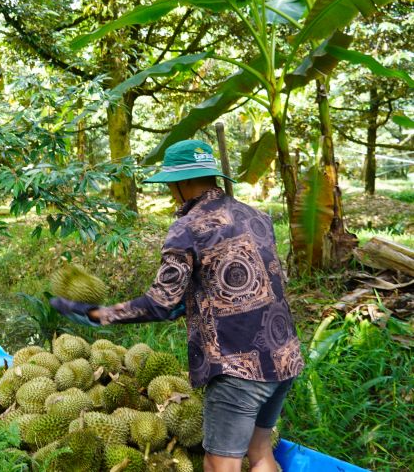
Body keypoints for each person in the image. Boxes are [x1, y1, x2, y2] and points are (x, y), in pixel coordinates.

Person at [50, 139, 304, 472]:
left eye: (171, 184)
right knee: (259, 453)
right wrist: (186, 306)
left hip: (239, 367)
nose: (171, 191)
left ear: (183, 183)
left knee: (219, 463)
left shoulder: (187, 228)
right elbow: (238, 289)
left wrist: (98, 314)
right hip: (284, 355)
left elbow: (159, 302)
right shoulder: (257, 216)